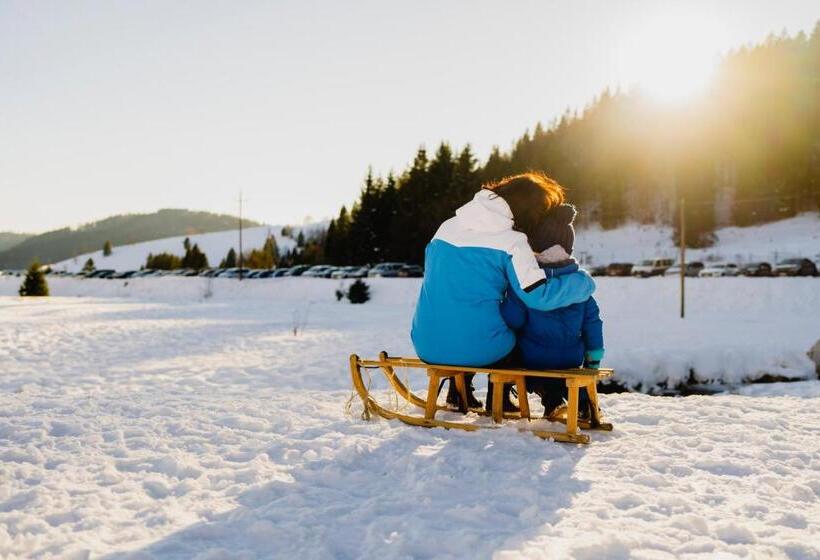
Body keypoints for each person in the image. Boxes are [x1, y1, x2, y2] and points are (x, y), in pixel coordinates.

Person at [410, 173, 596, 411]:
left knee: (468, 315)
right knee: (513, 332)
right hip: (477, 348)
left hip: (425, 343)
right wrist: (583, 283)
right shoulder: (513, 242)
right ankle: (500, 400)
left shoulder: (446, 227)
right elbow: (540, 297)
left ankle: (458, 392)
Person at [500, 204, 604, 419]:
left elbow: (513, 320)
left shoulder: (528, 286)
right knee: (569, 377)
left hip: (534, 358)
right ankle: (585, 404)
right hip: (570, 358)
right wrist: (593, 358)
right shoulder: (582, 287)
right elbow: (593, 323)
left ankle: (553, 401)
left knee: (536, 376)